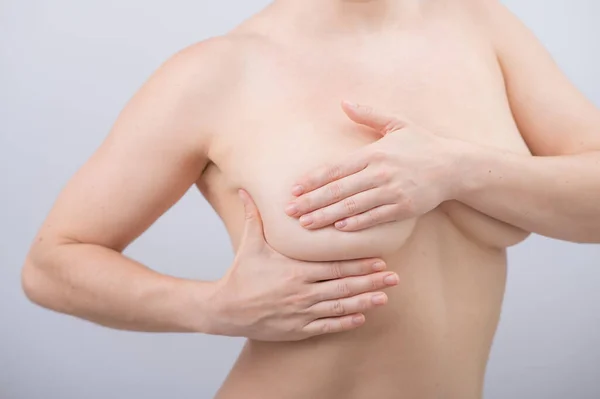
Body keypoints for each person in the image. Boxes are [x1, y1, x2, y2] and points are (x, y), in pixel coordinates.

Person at [21, 0, 600, 398]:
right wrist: (206, 308)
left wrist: (458, 169)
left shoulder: (479, 24)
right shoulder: (217, 72)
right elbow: (53, 262)